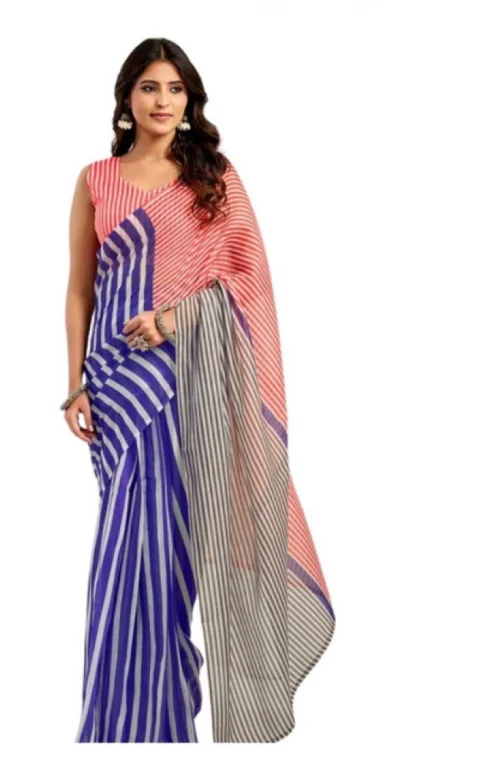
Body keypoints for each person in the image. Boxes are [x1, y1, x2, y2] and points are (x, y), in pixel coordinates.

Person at [63, 37, 335, 744]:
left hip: (191, 389)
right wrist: (74, 385)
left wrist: (176, 319)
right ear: (126, 98)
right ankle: (124, 727)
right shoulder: (96, 180)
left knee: (172, 559)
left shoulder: (213, 177)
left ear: (189, 101)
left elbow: (249, 281)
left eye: (175, 89)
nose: (163, 101)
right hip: (117, 390)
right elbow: (80, 290)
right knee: (123, 554)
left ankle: (158, 727)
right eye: (150, 87)